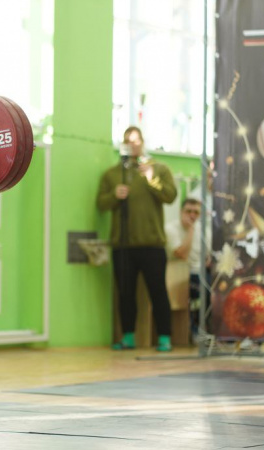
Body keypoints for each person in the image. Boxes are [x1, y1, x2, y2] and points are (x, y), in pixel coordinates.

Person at [96, 126, 177, 352]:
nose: (132, 144)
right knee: (125, 293)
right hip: (123, 245)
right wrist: (115, 195)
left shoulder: (159, 169)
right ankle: (128, 336)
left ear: (143, 142)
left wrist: (152, 180)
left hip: (152, 245)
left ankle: (164, 337)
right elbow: (101, 204)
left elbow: (170, 196)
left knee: (158, 291)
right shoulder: (112, 175)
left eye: (136, 140)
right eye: (127, 141)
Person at [165, 196, 211, 342]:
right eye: (188, 211)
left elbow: (210, 256)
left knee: (215, 287)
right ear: (181, 212)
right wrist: (191, 229)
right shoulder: (170, 228)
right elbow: (181, 254)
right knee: (198, 288)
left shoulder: (205, 230)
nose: (192, 215)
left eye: (196, 213)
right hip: (179, 274)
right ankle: (195, 331)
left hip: (202, 272)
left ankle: (215, 332)